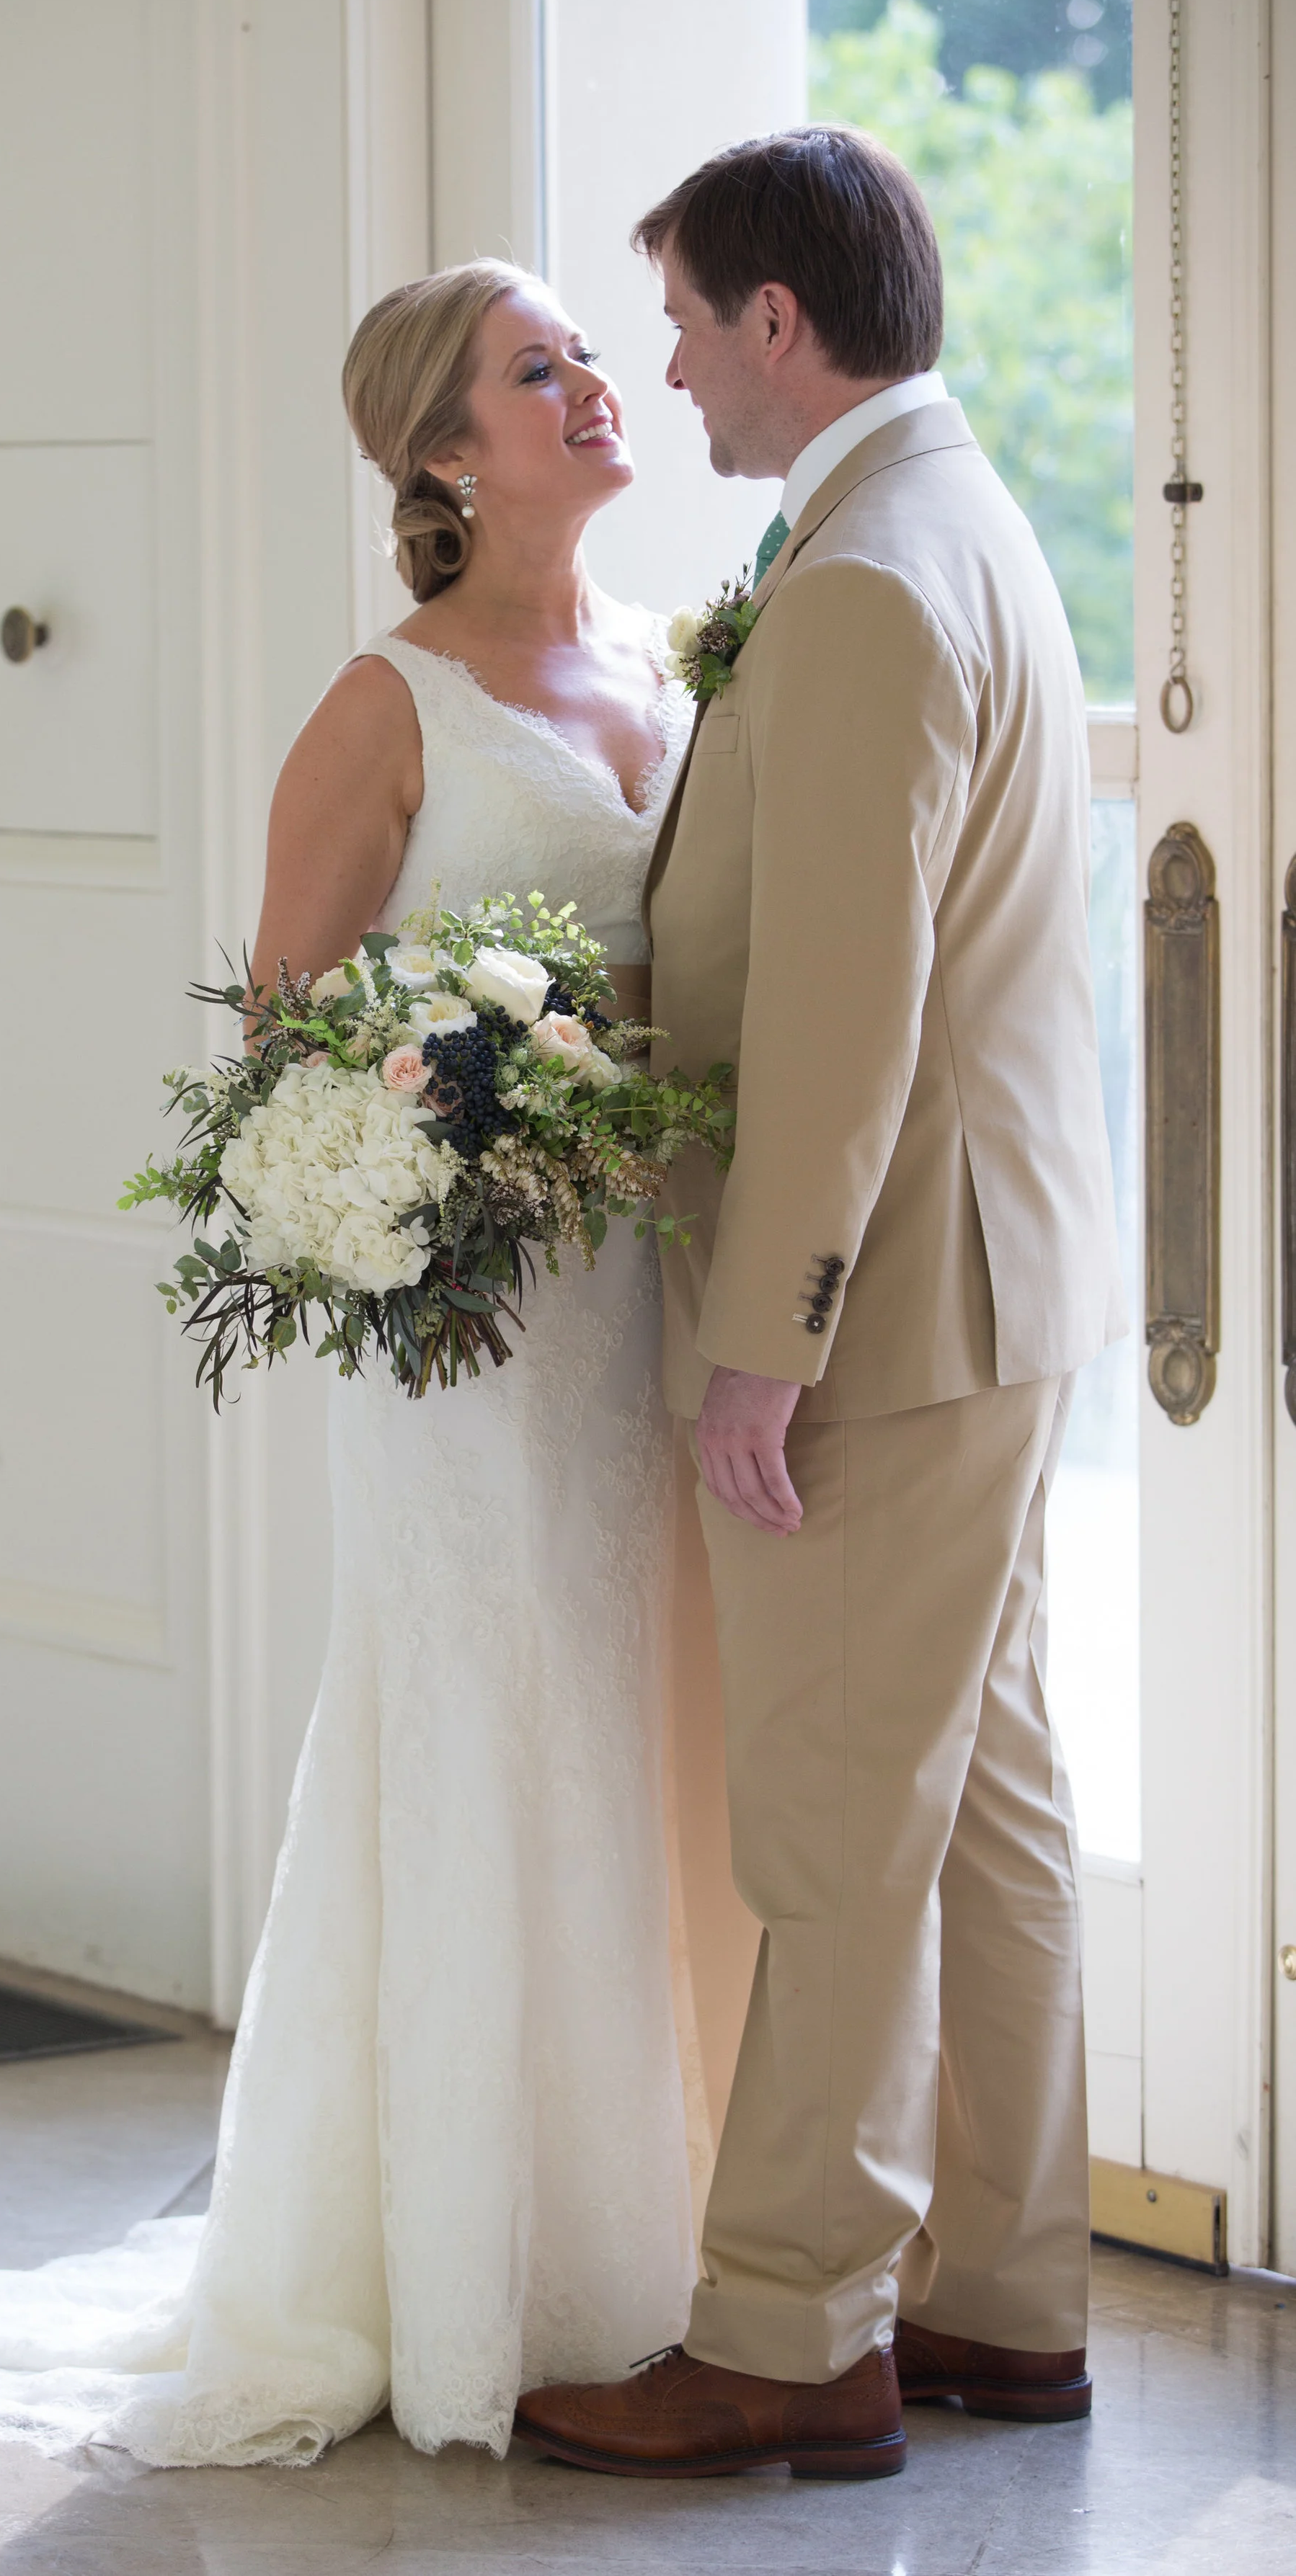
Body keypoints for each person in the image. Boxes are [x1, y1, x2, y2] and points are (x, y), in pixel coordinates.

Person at [0, 260, 712, 2467]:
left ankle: (666, 2241)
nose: (592, 383)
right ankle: (468, 2271)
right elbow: (282, 1044)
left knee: (643, 1718)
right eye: (536, 368)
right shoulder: (385, 704)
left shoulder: (680, 663)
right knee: (486, 1716)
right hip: (469, 1331)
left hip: (653, 1301)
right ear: (441, 450)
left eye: (592, 352)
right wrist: (444, 1149)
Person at [515, 127, 1124, 2482]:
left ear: (777, 319)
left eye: (683, 322)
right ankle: (1003, 2295)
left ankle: (790, 2326)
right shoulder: (941, 514)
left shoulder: (867, 575)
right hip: (989, 1282)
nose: (665, 370)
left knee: (835, 1823)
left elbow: (848, 1011)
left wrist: (761, 1338)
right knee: (983, 1803)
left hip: (882, 1311)